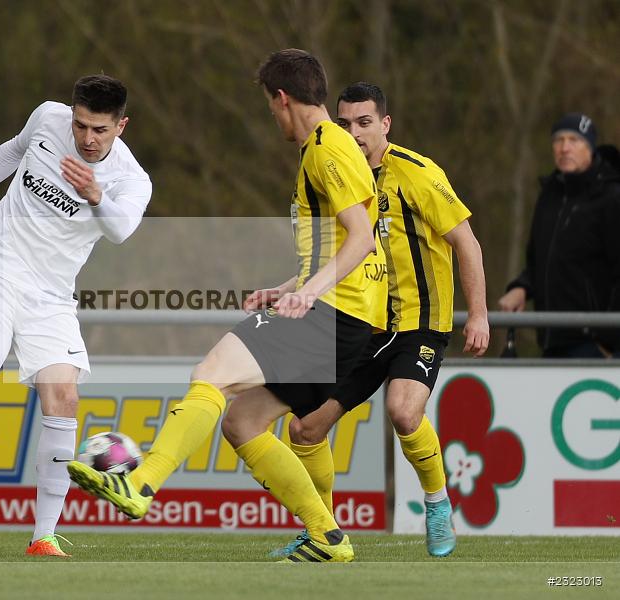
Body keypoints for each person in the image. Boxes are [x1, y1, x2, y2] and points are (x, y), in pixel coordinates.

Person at [68, 49, 387, 563]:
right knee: (242, 423)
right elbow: (338, 245)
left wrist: (308, 294)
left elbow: (361, 239)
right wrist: (290, 286)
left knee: (211, 371)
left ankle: (141, 484)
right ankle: (328, 537)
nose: (273, 116)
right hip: (344, 319)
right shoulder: (329, 149)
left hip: (332, 315)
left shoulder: (328, 149)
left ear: (283, 99)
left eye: (270, 106)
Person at [248, 82, 488, 560]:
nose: (354, 133)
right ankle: (325, 533)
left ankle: (437, 504)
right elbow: (333, 256)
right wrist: (285, 289)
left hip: (418, 323)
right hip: (362, 325)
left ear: (385, 124)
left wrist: (478, 314)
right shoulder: (338, 173)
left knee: (403, 411)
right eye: (344, 123)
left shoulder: (417, 173)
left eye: (364, 122)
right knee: (305, 431)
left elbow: (467, 242)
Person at [0, 75, 152, 557]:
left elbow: (122, 230)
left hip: (50, 294)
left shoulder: (131, 180)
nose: (88, 139)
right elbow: (12, 151)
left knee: (63, 398)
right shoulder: (47, 117)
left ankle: (43, 536)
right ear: (71, 113)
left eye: (100, 131)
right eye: (82, 124)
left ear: (121, 127)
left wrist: (95, 195)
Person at [499, 113, 620, 357]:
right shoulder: (549, 196)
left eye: (574, 140)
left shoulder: (612, 197)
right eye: (559, 140)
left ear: (590, 148)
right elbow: (538, 259)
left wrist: (607, 340)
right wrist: (522, 287)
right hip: (551, 340)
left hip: (597, 345)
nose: (565, 148)